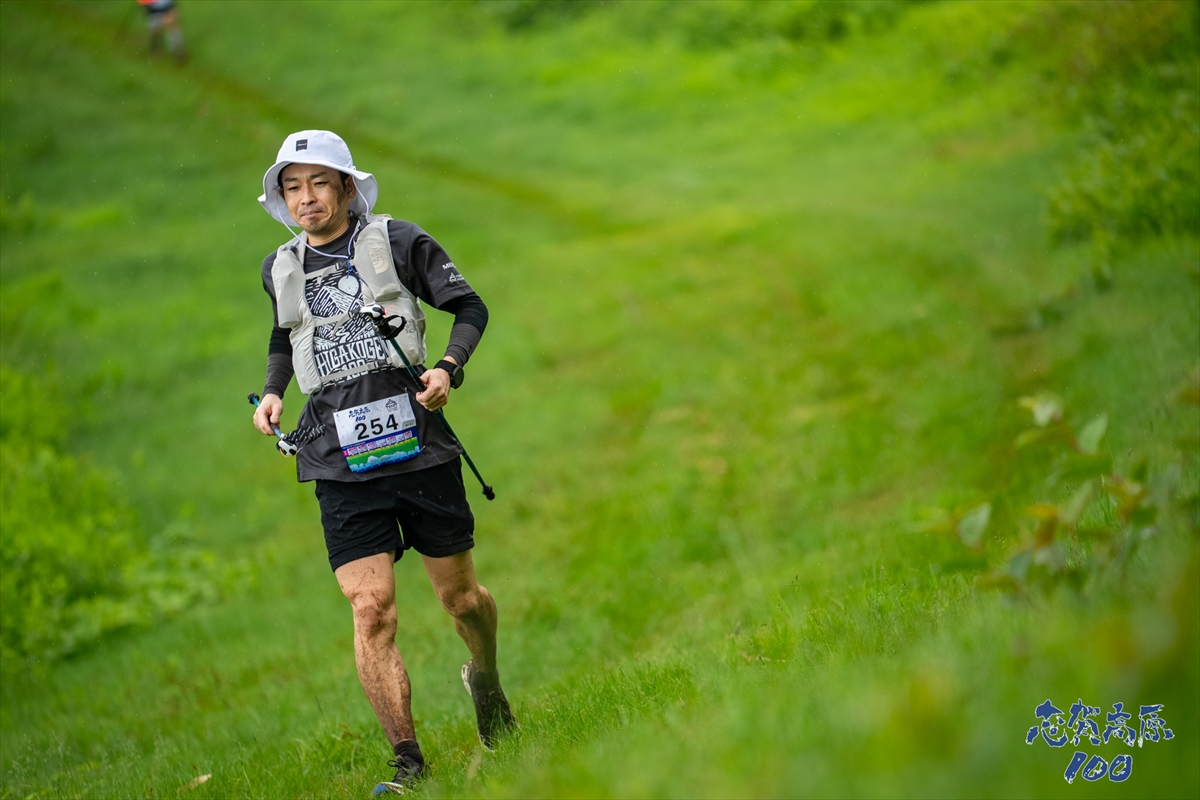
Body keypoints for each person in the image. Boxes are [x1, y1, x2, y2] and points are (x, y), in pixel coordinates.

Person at [250, 130, 515, 795]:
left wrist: (447, 368)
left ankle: (485, 676)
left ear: (346, 187)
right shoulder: (279, 266)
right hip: (336, 458)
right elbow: (285, 335)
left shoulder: (397, 241)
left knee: (460, 599)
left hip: (419, 446)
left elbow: (470, 307)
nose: (306, 198)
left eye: (319, 182)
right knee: (370, 609)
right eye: (292, 187)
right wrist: (274, 391)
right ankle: (408, 764)